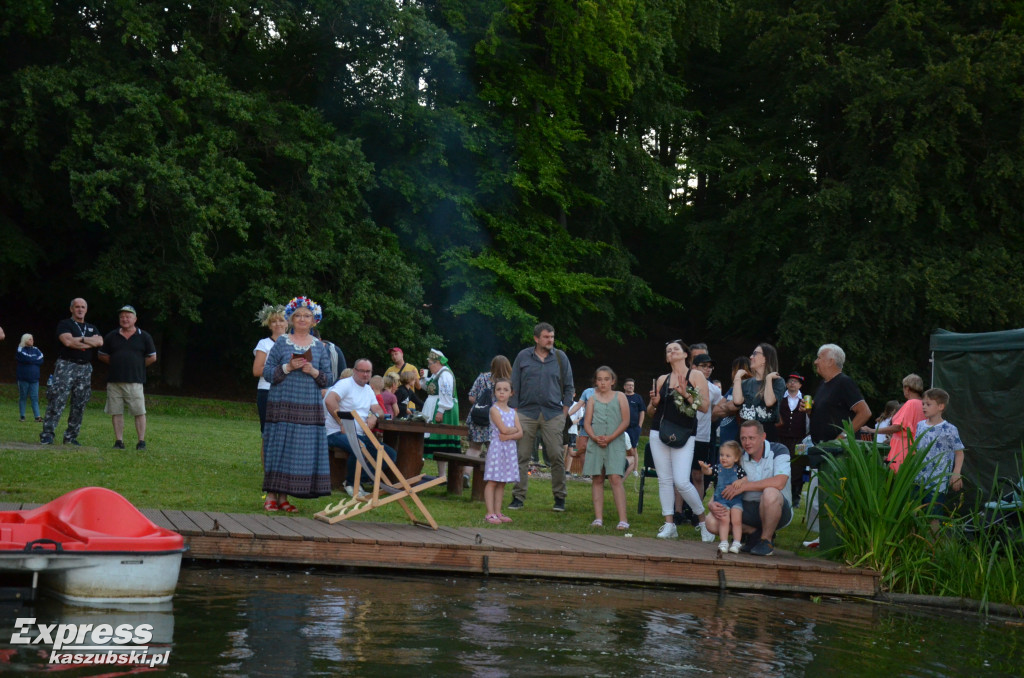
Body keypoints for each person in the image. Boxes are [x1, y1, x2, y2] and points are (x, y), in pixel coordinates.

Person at [261, 296, 334, 512]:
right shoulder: (282, 342)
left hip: (308, 407)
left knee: (296, 450)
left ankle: (284, 498)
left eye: (307, 316)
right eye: (298, 315)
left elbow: (329, 378)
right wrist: (288, 367)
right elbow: (266, 372)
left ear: (314, 321)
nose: (302, 319)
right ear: (291, 319)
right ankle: (271, 496)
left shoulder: (320, 348)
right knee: (278, 448)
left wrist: (313, 371)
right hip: (282, 404)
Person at [646, 340, 715, 541]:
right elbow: (652, 412)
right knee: (665, 480)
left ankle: (703, 522)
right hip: (659, 431)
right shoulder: (662, 379)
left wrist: (686, 394)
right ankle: (669, 524)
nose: (672, 352)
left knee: (682, 481)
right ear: (667, 358)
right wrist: (654, 403)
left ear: (686, 354)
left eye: (675, 349)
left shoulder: (696, 376)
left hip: (685, 433)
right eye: (668, 350)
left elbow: (704, 407)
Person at [508, 322, 574, 512]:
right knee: (522, 456)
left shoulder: (561, 358)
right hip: (526, 413)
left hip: (553, 414)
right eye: (546, 337)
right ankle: (518, 497)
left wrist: (565, 411)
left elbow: (569, 386)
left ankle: (560, 498)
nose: (550, 340)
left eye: (552, 337)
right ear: (536, 338)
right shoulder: (523, 356)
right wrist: (515, 411)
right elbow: (515, 386)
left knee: (556, 456)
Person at [705, 420, 792, 556]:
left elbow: (780, 482)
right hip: (746, 508)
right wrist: (712, 503)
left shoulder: (779, 450)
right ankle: (753, 533)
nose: (747, 442)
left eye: (751, 438)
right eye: (743, 438)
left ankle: (766, 540)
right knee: (710, 522)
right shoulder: (738, 457)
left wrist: (744, 486)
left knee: (770, 492)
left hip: (777, 508)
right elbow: (724, 483)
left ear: (763, 437)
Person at [323, 358, 398, 497]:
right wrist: (342, 422)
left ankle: (359, 480)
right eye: (362, 371)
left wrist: (374, 416)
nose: (365, 375)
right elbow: (329, 400)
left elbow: (379, 410)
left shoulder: (369, 390)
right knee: (360, 446)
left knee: (390, 455)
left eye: (368, 371)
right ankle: (352, 484)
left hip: (360, 434)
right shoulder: (345, 384)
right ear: (355, 371)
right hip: (335, 433)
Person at [40, 298, 103, 446]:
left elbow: (100, 342)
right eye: (77, 307)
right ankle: (47, 434)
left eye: (83, 307)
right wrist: (88, 341)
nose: (80, 309)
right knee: (57, 400)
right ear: (71, 309)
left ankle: (71, 436)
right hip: (66, 366)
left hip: (85, 368)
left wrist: (79, 341)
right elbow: (68, 342)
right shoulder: (65, 324)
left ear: (86, 310)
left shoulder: (92, 327)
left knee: (80, 403)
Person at [97, 305, 158, 450]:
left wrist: (137, 365)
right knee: (116, 411)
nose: (125, 319)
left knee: (139, 411)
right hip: (114, 381)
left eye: (128, 316)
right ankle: (119, 441)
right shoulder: (112, 336)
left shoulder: (144, 336)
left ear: (135, 319)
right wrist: (117, 363)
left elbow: (152, 357)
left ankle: (141, 442)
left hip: (135, 381)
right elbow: (102, 355)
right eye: (122, 317)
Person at [580, 366, 631, 530]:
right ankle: (598, 518)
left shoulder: (620, 396)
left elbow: (625, 421)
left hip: (615, 441)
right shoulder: (593, 399)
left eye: (606, 379)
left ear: (613, 381)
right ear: (595, 382)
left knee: (615, 478)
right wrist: (594, 437)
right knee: (597, 478)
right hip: (596, 441)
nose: (603, 383)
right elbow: (587, 422)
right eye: (600, 379)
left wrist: (610, 437)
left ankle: (623, 519)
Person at [913, 388, 965, 514]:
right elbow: (916, 449)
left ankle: (933, 535)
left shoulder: (949, 429)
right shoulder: (920, 425)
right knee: (914, 512)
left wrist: (956, 473)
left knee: (933, 514)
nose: (924, 407)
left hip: (937, 481)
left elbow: (959, 452)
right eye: (923, 404)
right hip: (918, 478)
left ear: (941, 406)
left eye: (928, 404)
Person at [809, 344, 872, 443]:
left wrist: (842, 438)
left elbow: (865, 413)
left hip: (840, 452)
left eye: (819, 358)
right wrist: (809, 411)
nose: (815, 362)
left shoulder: (844, 382)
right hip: (823, 448)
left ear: (830, 361)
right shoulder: (823, 384)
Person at [864, 374, 925, 472]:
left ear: (907, 388)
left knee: (896, 482)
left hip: (903, 450)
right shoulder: (923, 404)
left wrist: (872, 430)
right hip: (914, 449)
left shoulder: (911, 403)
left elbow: (898, 427)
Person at [466, 355, 513, 481]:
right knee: (492, 450)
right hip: (495, 420)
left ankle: (466, 474)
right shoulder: (507, 384)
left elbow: (471, 397)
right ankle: (488, 478)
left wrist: (482, 403)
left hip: (477, 418)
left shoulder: (482, 378)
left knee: (474, 448)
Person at [483, 378, 522, 524]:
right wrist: (512, 430)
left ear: (511, 393)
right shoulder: (494, 410)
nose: (502, 392)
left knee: (502, 482)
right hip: (497, 449)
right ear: (494, 392)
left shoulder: (513, 412)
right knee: (493, 480)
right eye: (499, 389)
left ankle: (498, 512)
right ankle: (490, 513)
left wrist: (508, 435)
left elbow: (521, 433)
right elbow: (503, 429)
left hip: (509, 449)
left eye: (505, 390)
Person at [698, 440, 748, 553]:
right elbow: (708, 472)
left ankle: (736, 543)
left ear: (736, 458)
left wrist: (741, 482)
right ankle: (724, 542)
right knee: (724, 520)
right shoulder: (718, 468)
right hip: (721, 500)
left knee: (736, 520)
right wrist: (704, 468)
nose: (723, 458)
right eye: (721, 455)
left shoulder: (738, 470)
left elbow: (745, 479)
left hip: (735, 500)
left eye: (727, 456)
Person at [730, 343, 786, 442]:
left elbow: (769, 402)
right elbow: (737, 402)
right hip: (744, 432)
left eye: (755, 354)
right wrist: (737, 379)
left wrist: (768, 379)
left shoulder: (777, 381)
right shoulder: (745, 383)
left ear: (765, 359)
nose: (751, 357)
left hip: (765, 433)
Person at [421, 349, 460, 475]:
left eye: (430, 363)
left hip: (445, 410)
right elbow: (430, 388)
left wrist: (440, 411)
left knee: (443, 442)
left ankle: (445, 476)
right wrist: (422, 379)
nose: (429, 366)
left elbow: (447, 395)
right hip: (437, 408)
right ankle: (442, 475)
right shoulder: (436, 375)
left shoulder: (445, 375)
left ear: (437, 363)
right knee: (439, 443)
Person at [691, 353, 723, 503]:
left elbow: (721, 407)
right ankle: (677, 511)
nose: (708, 369)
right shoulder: (685, 384)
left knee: (698, 475)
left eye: (710, 367)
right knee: (681, 475)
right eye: (704, 366)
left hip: (702, 436)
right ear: (694, 367)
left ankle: (696, 512)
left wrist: (709, 419)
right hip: (683, 434)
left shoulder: (714, 390)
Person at [253, 304, 287, 433]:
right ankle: (266, 454)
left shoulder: (294, 342)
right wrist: (283, 369)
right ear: (269, 324)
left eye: (281, 320)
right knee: (267, 432)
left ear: (287, 322)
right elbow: (256, 370)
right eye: (274, 321)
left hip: (288, 392)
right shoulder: (264, 343)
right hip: (267, 390)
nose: (278, 324)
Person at [776, 372, 809, 507]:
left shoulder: (806, 401)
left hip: (800, 439)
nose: (792, 383)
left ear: (800, 385)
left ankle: (796, 495)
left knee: (798, 467)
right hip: (781, 438)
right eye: (789, 381)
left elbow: (808, 420)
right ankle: (780, 494)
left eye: (795, 382)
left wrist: (807, 436)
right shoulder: (780, 399)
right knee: (780, 465)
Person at [713, 357, 751, 446]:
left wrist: (725, 407)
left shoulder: (748, 388)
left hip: (736, 439)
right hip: (725, 440)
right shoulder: (731, 389)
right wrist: (729, 408)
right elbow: (715, 410)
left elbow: (735, 406)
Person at [16, 334, 44, 422]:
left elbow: (41, 358)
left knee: (34, 397)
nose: (32, 340)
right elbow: (24, 358)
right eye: (29, 339)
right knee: (23, 397)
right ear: (25, 340)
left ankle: (37, 416)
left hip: (34, 378)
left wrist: (31, 360)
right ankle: (22, 416)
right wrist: (33, 359)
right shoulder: (20, 349)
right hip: (23, 378)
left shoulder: (36, 349)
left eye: (32, 339)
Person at [622, 379, 646, 465]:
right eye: (629, 385)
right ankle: (622, 465)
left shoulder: (638, 398)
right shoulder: (621, 397)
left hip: (634, 428)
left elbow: (642, 412)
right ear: (624, 387)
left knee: (633, 448)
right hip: (622, 427)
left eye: (632, 385)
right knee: (621, 447)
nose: (631, 386)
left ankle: (635, 469)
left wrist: (639, 426)